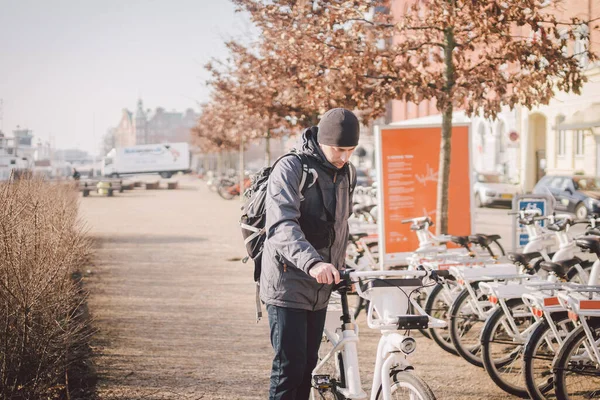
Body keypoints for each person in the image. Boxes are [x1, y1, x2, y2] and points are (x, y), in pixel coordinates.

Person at [262, 108, 359, 399]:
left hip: (319, 286)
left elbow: (339, 227)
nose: (344, 157)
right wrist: (314, 263)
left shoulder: (345, 173)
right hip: (286, 283)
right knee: (289, 369)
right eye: (339, 149)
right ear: (321, 141)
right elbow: (281, 225)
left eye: (351, 150)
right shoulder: (291, 168)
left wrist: (341, 268)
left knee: (308, 366)